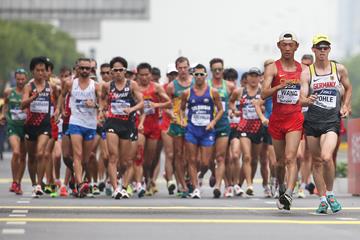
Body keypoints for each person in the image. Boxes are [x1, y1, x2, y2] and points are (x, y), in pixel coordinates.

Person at [300, 34, 352, 214]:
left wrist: (345, 105)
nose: (322, 51)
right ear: (313, 50)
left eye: (325, 47)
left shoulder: (339, 69)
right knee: (316, 161)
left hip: (331, 121)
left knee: (326, 157)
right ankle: (322, 199)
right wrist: (307, 100)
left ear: (329, 49)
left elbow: (348, 87)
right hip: (312, 121)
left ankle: (330, 194)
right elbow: (301, 98)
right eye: (319, 47)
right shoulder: (307, 73)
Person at [261, 32, 303, 210]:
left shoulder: (303, 69)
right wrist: (279, 86)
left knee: (291, 157)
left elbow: (306, 92)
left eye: (290, 45)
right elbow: (263, 94)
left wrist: (306, 99)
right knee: (279, 162)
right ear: (279, 46)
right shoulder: (273, 68)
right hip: (277, 119)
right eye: (284, 45)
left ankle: (289, 193)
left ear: (296, 47)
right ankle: (281, 187)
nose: (287, 48)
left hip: (294, 118)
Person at [100, 56, 144, 199]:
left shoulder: (132, 85)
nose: (118, 73)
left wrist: (132, 110)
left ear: (125, 71)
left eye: (120, 70)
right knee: (113, 157)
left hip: (128, 124)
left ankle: (124, 186)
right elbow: (102, 100)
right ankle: (115, 188)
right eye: (115, 70)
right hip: (112, 123)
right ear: (112, 72)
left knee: (126, 161)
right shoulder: (107, 86)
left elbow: (142, 103)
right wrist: (102, 111)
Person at [59, 58, 101, 197]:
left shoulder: (96, 86)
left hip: (90, 125)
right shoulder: (70, 83)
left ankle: (76, 183)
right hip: (75, 122)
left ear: (91, 70)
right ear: (77, 68)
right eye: (82, 68)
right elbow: (61, 96)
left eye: (87, 68)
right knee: (76, 155)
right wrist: (61, 110)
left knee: (85, 159)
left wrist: (94, 106)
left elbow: (103, 105)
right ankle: (80, 183)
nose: (84, 71)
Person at [180, 64, 223, 198]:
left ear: (205, 76)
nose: (199, 77)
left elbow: (221, 109)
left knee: (205, 162)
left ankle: (201, 175)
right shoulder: (187, 92)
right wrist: (182, 120)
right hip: (192, 130)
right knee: (192, 160)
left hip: (207, 131)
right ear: (193, 76)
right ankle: (196, 188)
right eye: (196, 74)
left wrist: (213, 122)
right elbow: (181, 109)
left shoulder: (212, 92)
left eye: (201, 74)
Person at [21, 56, 60, 198]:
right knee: (31, 157)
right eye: (38, 70)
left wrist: (57, 111)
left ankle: (39, 184)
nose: (41, 73)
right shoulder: (28, 86)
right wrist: (32, 98)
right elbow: (22, 105)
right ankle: (33, 183)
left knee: (41, 153)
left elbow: (58, 100)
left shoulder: (51, 87)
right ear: (33, 71)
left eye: (43, 70)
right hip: (30, 125)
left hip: (45, 124)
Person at [136, 62, 171, 196]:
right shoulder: (134, 87)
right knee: (139, 154)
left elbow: (168, 103)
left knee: (149, 159)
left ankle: (148, 178)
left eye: (147, 75)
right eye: (142, 75)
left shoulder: (156, 87)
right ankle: (141, 183)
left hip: (154, 125)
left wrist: (156, 104)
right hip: (139, 125)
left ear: (150, 75)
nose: (144, 78)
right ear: (137, 75)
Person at [230, 67, 262, 196]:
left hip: (258, 127)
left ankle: (244, 182)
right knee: (247, 156)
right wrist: (234, 110)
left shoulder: (262, 91)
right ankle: (249, 185)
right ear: (247, 78)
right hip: (243, 127)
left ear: (260, 77)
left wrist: (262, 108)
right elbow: (231, 102)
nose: (253, 78)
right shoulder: (240, 91)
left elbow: (269, 105)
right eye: (251, 76)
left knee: (254, 159)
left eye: (256, 76)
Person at [166, 57, 194, 197]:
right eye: (180, 68)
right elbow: (166, 105)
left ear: (189, 67)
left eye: (185, 67)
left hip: (193, 123)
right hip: (177, 123)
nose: (183, 70)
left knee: (192, 156)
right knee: (178, 154)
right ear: (176, 69)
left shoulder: (195, 82)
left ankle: (190, 178)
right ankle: (182, 185)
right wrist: (171, 114)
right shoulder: (172, 86)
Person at [208, 58, 236, 198]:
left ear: (223, 70)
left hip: (223, 124)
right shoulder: (206, 85)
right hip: (207, 125)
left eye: (220, 69)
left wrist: (234, 110)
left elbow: (234, 101)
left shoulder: (229, 86)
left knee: (221, 157)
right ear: (211, 71)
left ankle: (219, 185)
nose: (218, 72)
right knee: (207, 159)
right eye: (215, 69)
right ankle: (214, 173)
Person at [1, 68, 28, 195]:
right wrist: (2, 115)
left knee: (23, 156)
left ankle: (18, 182)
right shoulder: (9, 92)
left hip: (26, 127)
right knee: (16, 152)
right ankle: (14, 181)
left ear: (26, 79)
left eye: (23, 79)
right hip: (13, 125)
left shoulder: (29, 92)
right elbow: (5, 106)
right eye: (18, 79)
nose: (20, 81)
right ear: (15, 79)